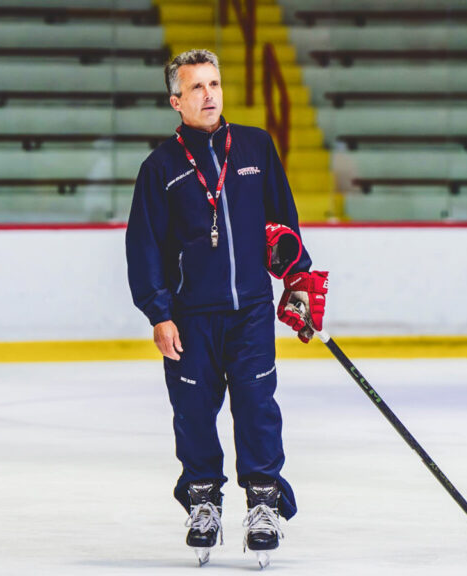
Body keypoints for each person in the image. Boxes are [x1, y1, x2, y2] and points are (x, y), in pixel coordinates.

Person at [125, 48, 329, 568]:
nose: (209, 94)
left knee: (258, 408)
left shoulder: (256, 147)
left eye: (214, 84)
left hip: (251, 312)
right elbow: (144, 245)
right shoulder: (160, 168)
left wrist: (299, 282)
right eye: (196, 88)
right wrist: (159, 313)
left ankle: (263, 504)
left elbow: (284, 225)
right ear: (176, 101)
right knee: (193, 414)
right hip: (191, 317)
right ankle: (202, 502)